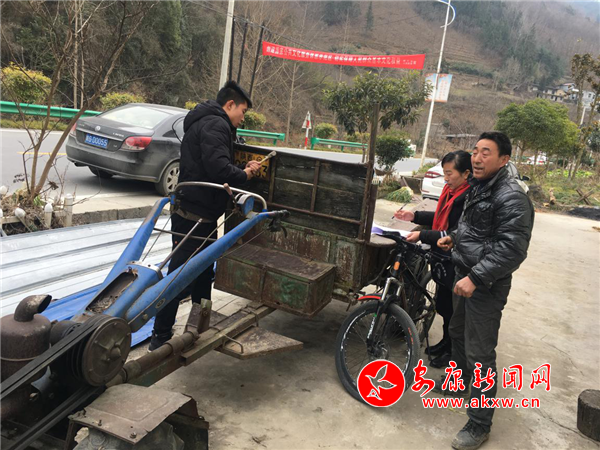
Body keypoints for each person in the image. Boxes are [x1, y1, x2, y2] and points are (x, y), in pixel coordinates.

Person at [436, 132, 534, 450]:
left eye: (486, 153)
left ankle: (479, 423)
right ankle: (459, 382)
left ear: (504, 159)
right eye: (475, 151)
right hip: (464, 274)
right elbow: (474, 229)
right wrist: (454, 237)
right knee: (457, 331)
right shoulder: (479, 186)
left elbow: (512, 249)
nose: (477, 158)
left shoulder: (511, 197)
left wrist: (476, 277)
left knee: (480, 353)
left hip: (486, 284)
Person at [149, 81, 261, 351]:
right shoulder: (216, 124)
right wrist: (245, 175)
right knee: (179, 275)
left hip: (199, 210)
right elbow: (218, 169)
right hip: (195, 214)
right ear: (230, 105)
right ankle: (160, 336)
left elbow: (209, 164)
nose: (242, 118)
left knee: (202, 271)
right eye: (243, 111)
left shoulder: (205, 121)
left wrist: (239, 167)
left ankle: (199, 326)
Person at [394, 150, 472, 369]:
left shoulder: (469, 198)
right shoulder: (451, 191)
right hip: (441, 257)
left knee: (454, 311)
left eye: (449, 173)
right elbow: (439, 217)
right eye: (444, 173)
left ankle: (451, 350)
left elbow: (454, 232)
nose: (445, 178)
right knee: (444, 305)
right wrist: (414, 216)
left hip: (456, 259)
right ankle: (446, 343)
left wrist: (422, 235)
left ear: (466, 173)